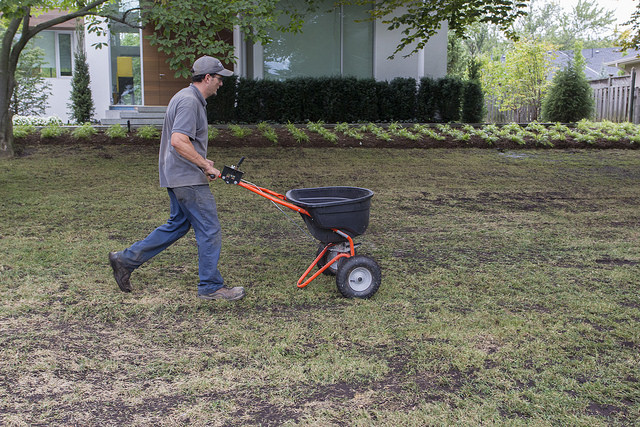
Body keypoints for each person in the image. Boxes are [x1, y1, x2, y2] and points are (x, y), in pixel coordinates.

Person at [109, 56, 245, 301]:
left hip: (179, 175)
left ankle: (125, 260)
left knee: (178, 225)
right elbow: (178, 141)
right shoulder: (189, 101)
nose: (221, 84)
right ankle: (211, 286)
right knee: (210, 229)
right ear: (207, 78)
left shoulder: (187, 98)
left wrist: (204, 165)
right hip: (186, 179)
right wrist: (204, 164)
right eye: (219, 78)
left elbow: (183, 142)